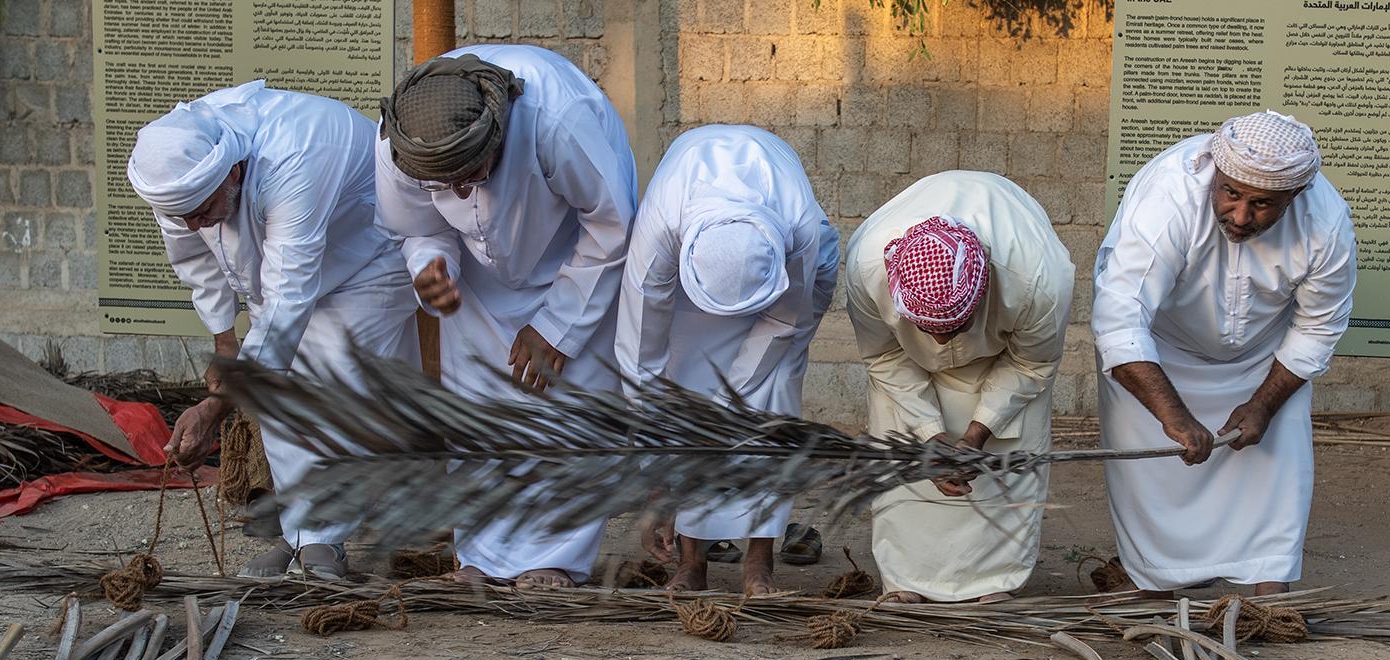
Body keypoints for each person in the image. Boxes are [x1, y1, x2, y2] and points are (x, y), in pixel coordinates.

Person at [128, 80, 420, 581]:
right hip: (285, 274)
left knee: (333, 385)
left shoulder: (298, 154)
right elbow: (195, 260)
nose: (196, 224)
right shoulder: (178, 178)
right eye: (184, 216)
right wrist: (225, 339)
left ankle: (321, 543)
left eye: (203, 211)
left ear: (235, 172)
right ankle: (305, 536)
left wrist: (216, 409)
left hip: (368, 261)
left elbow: (289, 295)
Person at [375, 45, 637, 590]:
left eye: (473, 174)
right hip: (472, 270)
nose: (464, 191)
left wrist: (558, 327)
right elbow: (417, 227)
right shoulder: (399, 144)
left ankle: (555, 559)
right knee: (478, 405)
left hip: (574, 256)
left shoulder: (556, 122)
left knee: (567, 407)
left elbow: (611, 226)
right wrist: (431, 266)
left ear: (497, 136)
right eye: (447, 183)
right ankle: (484, 559)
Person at [1092, 110, 1357, 595]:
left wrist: (1262, 405)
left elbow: (1318, 328)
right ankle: (1153, 581)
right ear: (1215, 171)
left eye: (1262, 205)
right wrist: (1171, 414)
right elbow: (1120, 318)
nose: (1240, 216)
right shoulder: (1169, 196)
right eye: (1231, 193)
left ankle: (1269, 588)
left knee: (1273, 470)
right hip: (1159, 353)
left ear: (1294, 197)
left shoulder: (1326, 223)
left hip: (1264, 358)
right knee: (1154, 478)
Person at [616, 125, 839, 595]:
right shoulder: (661, 229)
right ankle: (691, 562)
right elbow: (642, 356)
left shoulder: (797, 226)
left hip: (783, 299)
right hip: (690, 286)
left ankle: (759, 565)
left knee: (772, 400)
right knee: (684, 390)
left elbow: (783, 324)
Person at [846, 172, 1074, 603]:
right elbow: (883, 357)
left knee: (1005, 465)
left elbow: (1032, 361)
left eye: (955, 327)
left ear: (984, 286)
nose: (942, 342)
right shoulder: (867, 267)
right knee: (905, 466)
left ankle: (996, 582)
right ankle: (904, 580)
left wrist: (976, 434)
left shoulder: (1038, 279)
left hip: (1003, 358)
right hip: (904, 360)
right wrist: (932, 436)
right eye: (929, 328)